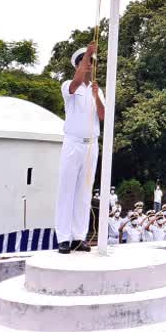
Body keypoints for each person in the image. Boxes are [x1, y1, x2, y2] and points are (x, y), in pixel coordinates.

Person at [55, 42, 105, 255]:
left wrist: (96, 96)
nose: (89, 67)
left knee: (84, 193)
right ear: (77, 66)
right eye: (85, 63)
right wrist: (88, 53)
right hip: (73, 143)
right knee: (66, 190)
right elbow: (76, 83)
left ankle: (78, 237)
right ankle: (63, 238)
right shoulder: (69, 86)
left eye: (91, 63)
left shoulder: (96, 89)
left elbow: (102, 116)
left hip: (91, 145)